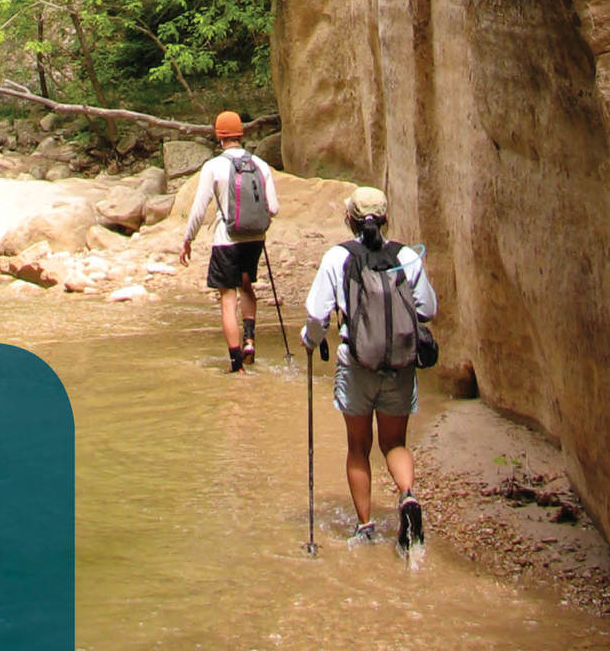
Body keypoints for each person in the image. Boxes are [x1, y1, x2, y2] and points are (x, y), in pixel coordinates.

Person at [301, 185, 436, 553]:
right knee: (394, 443)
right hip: (400, 363)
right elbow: (427, 309)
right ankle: (407, 495)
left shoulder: (338, 258)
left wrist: (310, 341)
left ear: (350, 219)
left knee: (358, 446)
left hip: (357, 364)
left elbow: (316, 315)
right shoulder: (406, 256)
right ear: (387, 217)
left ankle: (365, 528)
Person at [178, 110, 279, 370]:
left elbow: (199, 209)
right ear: (240, 134)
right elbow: (274, 208)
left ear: (219, 136)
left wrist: (188, 239)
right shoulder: (260, 165)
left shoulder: (214, 167)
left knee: (227, 297)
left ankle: (237, 366)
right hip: (256, 238)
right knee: (247, 285)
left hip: (227, 240)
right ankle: (249, 340)